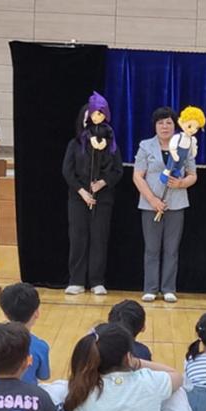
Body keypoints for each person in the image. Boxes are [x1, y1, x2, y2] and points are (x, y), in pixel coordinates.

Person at [64, 322, 206, 411]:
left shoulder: (81, 391)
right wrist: (138, 363)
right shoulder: (147, 379)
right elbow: (177, 377)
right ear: (128, 357)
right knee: (176, 391)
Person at [133, 107, 198, 303]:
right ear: (155, 126)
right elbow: (138, 176)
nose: (165, 126)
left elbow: (193, 175)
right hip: (150, 205)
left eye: (169, 122)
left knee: (171, 249)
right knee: (151, 248)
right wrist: (152, 200)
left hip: (176, 204)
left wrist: (181, 183)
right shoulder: (145, 146)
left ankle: (168, 288)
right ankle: (150, 288)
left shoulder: (184, 145)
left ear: (175, 125)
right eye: (160, 123)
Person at [62, 92, 123, 296]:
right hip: (78, 199)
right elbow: (67, 171)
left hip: (102, 200)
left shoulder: (111, 146)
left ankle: (97, 280)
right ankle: (76, 280)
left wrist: (102, 183)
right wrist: (82, 191)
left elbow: (118, 170)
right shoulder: (75, 144)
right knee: (78, 238)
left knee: (99, 239)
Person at [0, 282, 50, 385]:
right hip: (28, 392)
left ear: (5, 314)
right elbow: (44, 376)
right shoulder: (41, 346)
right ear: (36, 313)